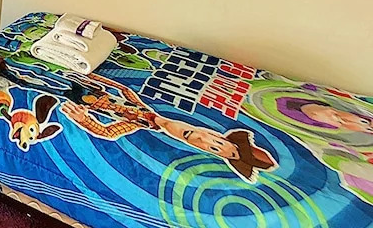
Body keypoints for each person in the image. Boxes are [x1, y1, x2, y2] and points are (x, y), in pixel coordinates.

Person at [60, 73, 277, 183]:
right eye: (217, 141)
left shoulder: (138, 124)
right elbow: (125, 90)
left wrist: (83, 119)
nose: (203, 140)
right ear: (215, 133)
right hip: (90, 86)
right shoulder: (147, 110)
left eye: (213, 149)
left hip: (82, 98)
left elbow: (107, 132)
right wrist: (92, 76)